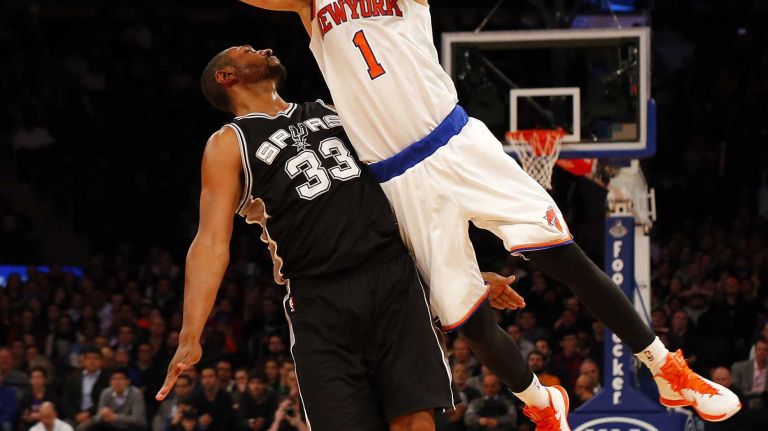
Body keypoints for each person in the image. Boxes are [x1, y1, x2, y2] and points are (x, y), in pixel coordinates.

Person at [239, 0, 742, 427]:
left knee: (564, 258)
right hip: (398, 179)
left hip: (456, 142)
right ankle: (542, 405)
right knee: (468, 320)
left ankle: (666, 370)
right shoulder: (313, 6)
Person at [152, 46, 525, 431]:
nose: (265, 49)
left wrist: (463, 271)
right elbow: (212, 240)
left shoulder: (331, 109)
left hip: (392, 277)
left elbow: (405, 194)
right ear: (225, 77)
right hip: (318, 298)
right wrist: (190, 333)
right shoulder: (230, 142)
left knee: (415, 420)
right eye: (248, 50)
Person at [78, 368, 147, 431]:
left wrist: (115, 417)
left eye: (120, 379)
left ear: (128, 381)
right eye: (113, 379)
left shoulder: (136, 394)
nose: (117, 382)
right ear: (110, 382)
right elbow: (99, 416)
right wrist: (102, 415)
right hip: (111, 427)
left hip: (130, 428)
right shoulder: (106, 393)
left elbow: (138, 419)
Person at [62, 346, 110, 427]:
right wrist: (76, 415)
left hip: (97, 416)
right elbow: (66, 400)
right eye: (89, 358)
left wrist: (88, 414)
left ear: (101, 361)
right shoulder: (73, 377)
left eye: (96, 358)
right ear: (83, 361)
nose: (92, 361)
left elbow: (106, 400)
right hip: (75, 416)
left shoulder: (107, 378)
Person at [731, 339, 768, 410]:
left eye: (765, 350)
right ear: (755, 351)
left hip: (765, 401)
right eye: (759, 349)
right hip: (745, 400)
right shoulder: (740, 367)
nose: (762, 352)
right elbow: (735, 389)